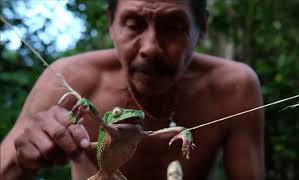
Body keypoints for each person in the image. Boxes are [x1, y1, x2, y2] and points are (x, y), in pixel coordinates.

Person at [0, 0, 265, 179]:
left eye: (172, 25)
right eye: (134, 24)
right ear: (111, 23)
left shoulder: (233, 88)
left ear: (202, 28)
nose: (150, 47)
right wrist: (24, 155)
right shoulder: (71, 79)